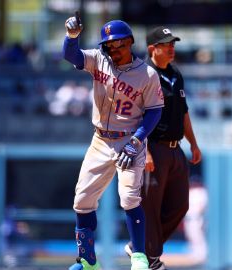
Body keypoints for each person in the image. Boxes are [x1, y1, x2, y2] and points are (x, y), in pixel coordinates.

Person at [63, 14, 164, 270]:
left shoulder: (147, 74)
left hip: (129, 140)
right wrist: (71, 37)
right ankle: (87, 261)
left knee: (129, 198)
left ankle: (139, 256)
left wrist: (138, 141)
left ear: (129, 42)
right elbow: (71, 56)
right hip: (100, 140)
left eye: (118, 44)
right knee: (82, 200)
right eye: (108, 45)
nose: (113, 49)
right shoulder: (99, 60)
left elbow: (154, 111)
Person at [124, 26, 202, 270]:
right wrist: (143, 150)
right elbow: (135, 116)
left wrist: (193, 143)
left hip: (175, 147)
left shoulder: (175, 73)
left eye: (173, 44)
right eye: (166, 44)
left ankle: (140, 246)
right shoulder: (144, 74)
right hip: (154, 147)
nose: (171, 48)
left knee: (181, 205)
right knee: (151, 205)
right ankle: (150, 257)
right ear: (152, 49)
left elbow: (184, 111)